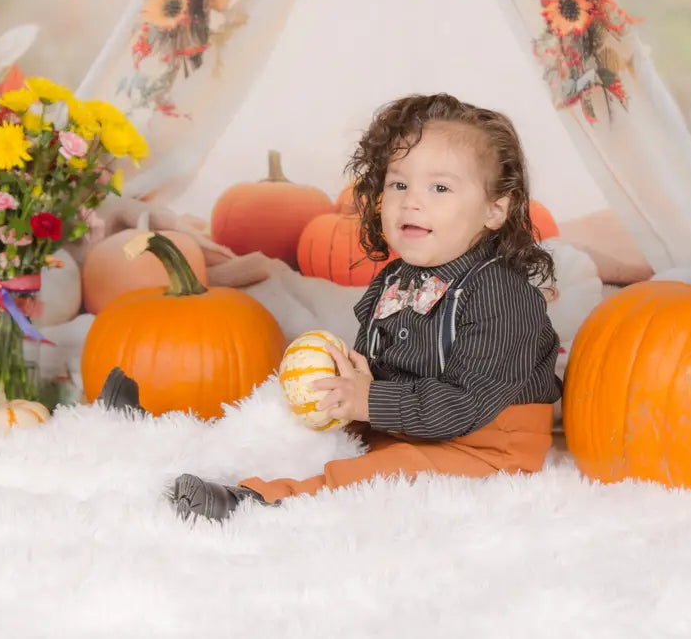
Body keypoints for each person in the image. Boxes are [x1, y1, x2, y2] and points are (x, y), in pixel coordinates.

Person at [98, 93, 562, 522]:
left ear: (495, 210)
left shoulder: (504, 297)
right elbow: (376, 361)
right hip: (399, 418)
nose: (412, 202)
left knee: (386, 473)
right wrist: (344, 385)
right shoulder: (396, 278)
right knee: (289, 414)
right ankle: (178, 447)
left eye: (440, 188)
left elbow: (467, 404)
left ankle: (257, 504)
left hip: (482, 446)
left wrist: (367, 400)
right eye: (399, 184)